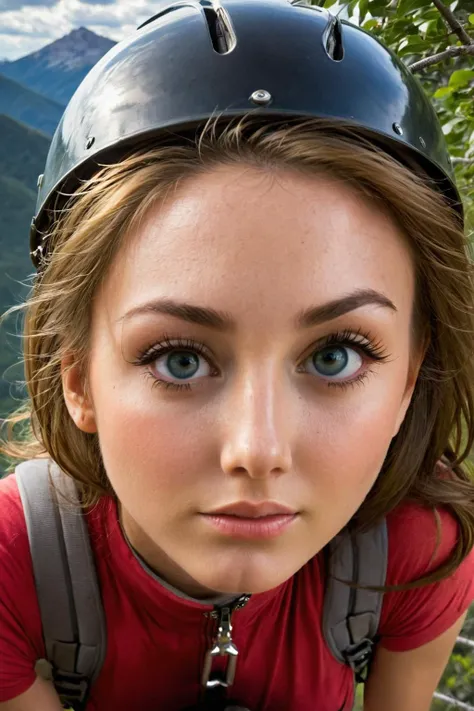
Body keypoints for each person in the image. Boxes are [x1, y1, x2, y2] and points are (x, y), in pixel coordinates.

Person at [0, 1, 473, 710]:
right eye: (179, 358)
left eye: (337, 355)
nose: (258, 449)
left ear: (409, 375)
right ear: (78, 377)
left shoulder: (418, 549)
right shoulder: (15, 566)